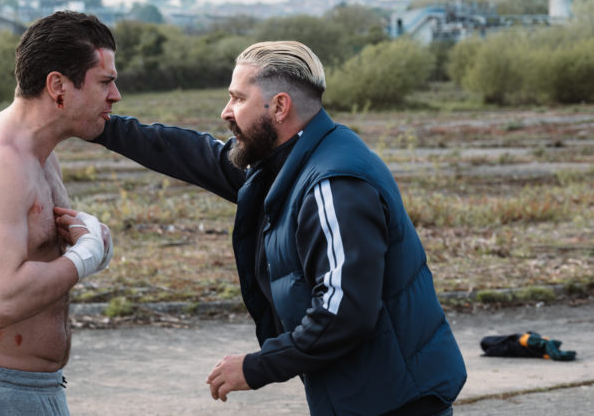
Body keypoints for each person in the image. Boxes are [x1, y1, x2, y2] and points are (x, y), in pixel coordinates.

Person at [92, 41, 466, 415]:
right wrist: (103, 129)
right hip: (368, 395)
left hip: (395, 402)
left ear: (280, 106)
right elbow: (195, 155)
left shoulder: (333, 184)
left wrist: (257, 366)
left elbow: (344, 312)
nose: (226, 111)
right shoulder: (287, 164)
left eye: (238, 98)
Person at [0, 11, 118, 416]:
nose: (115, 95)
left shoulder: (38, 154)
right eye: (105, 82)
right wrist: (84, 258)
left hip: (24, 388)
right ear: (58, 86)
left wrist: (87, 240)